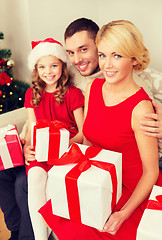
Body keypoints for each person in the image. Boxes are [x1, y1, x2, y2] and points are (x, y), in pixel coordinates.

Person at [38, 20, 162, 240]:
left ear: (134, 59)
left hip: (132, 190)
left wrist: (124, 213)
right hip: (101, 179)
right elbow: (87, 140)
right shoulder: (92, 88)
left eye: (117, 56)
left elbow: (150, 172)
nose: (107, 65)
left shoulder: (141, 108)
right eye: (103, 55)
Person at [64, 17, 162, 163]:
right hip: (94, 157)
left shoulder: (132, 84)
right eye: (71, 53)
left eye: (83, 49)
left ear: (98, 45)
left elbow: (151, 141)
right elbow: (41, 94)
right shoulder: (71, 74)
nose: (76, 60)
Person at [23, 37, 84, 240]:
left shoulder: (73, 94)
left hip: (65, 151)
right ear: (36, 70)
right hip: (40, 152)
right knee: (35, 179)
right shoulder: (31, 94)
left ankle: (59, 235)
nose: (48, 72)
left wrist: (63, 143)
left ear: (62, 66)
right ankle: (40, 237)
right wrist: (27, 148)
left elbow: (83, 133)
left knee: (53, 186)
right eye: (42, 67)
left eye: (53, 65)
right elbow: (31, 129)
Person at [0, 164, 34, 240]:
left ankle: (27, 237)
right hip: (17, 159)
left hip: (36, 160)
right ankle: (16, 230)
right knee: (1, 175)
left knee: (22, 184)